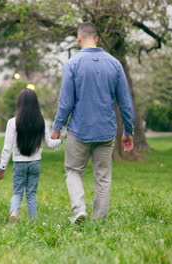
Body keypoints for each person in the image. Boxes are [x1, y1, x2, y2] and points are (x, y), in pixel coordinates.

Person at [51, 22, 135, 224]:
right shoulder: (115, 64)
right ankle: (99, 219)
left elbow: (66, 103)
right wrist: (128, 130)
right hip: (106, 131)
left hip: (79, 130)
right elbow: (125, 102)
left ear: (79, 39)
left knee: (73, 171)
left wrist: (57, 127)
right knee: (103, 177)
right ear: (96, 38)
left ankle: (79, 209)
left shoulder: (72, 64)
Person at [0, 88, 62, 222]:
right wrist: (60, 140)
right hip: (35, 163)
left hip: (19, 163)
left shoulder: (12, 122)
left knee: (17, 192)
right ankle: (33, 221)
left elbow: (7, 148)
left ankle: (14, 211)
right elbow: (49, 143)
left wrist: (1, 168)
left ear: (19, 104)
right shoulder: (41, 121)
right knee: (31, 194)